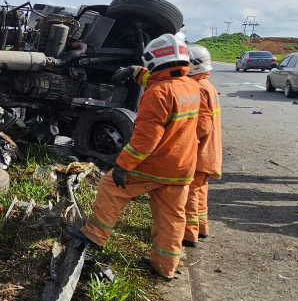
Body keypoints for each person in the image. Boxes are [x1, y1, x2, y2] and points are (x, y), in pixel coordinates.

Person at [67, 33, 201, 280]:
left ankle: (95, 236)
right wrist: (134, 71)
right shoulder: (191, 87)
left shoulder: (157, 93)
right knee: (171, 217)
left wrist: (122, 165)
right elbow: (163, 78)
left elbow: (145, 140)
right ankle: (165, 267)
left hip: (156, 164)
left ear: (156, 59)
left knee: (110, 186)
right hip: (183, 167)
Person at [184, 44, 222, 243]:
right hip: (209, 152)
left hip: (200, 152)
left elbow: (202, 126)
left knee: (189, 191)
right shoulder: (208, 85)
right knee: (200, 190)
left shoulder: (197, 88)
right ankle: (201, 227)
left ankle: (189, 234)